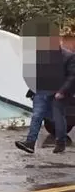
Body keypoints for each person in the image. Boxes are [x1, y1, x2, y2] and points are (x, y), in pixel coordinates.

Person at [16, 25, 75, 154]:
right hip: (41, 91)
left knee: (58, 118)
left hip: (59, 93)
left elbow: (72, 76)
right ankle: (30, 143)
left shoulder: (69, 56)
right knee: (37, 116)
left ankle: (61, 142)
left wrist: (62, 91)